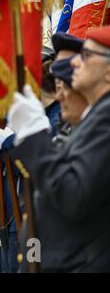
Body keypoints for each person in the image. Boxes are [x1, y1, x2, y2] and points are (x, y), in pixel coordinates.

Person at [7, 25, 110, 272]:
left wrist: (34, 136)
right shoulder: (91, 119)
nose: (75, 64)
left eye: (86, 57)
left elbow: (72, 194)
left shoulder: (105, 117)